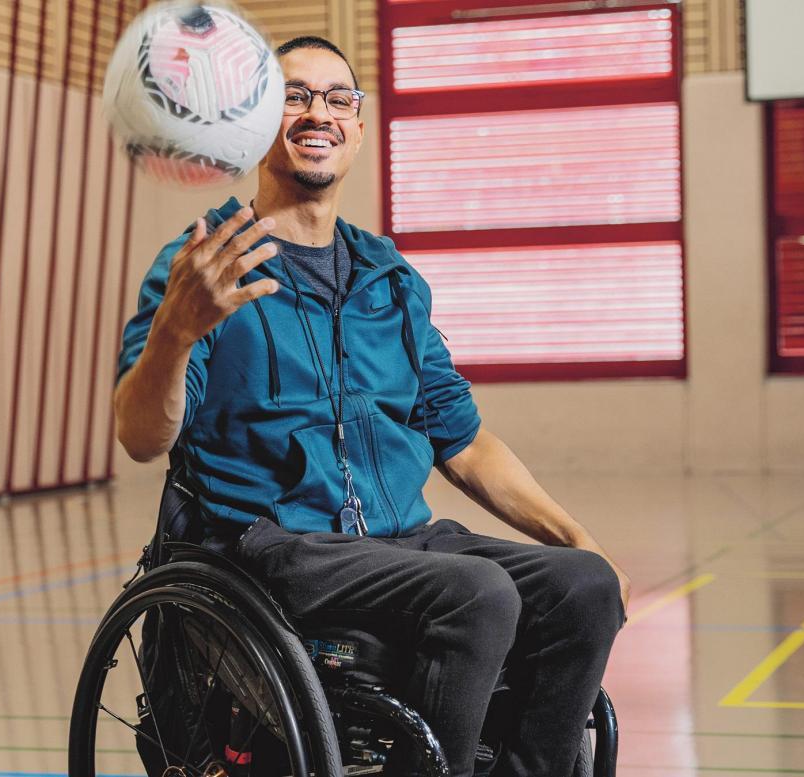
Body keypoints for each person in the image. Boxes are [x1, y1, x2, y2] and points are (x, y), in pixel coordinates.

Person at [113, 35, 630, 777]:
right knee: (477, 595)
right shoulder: (206, 264)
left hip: (396, 543)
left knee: (586, 587)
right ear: (257, 121)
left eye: (336, 98)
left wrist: (577, 536)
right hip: (274, 547)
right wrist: (175, 333)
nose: (317, 112)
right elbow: (139, 434)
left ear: (356, 125)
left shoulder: (390, 280)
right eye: (294, 95)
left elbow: (465, 442)